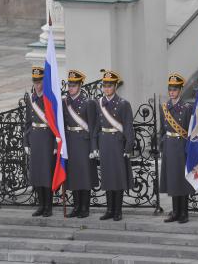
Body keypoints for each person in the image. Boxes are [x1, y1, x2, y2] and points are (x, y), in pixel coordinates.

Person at [93, 69, 134, 221]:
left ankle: (118, 211)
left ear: (115, 86)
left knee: (118, 177)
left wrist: (128, 147)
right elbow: (96, 127)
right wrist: (95, 146)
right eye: (105, 86)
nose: (107, 88)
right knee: (107, 177)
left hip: (117, 143)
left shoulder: (123, 104)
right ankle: (109, 209)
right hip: (104, 142)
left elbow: (128, 127)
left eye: (110, 86)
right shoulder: (99, 104)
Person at [63, 70, 99, 218]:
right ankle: (76, 206)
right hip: (71, 141)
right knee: (73, 176)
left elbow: (93, 126)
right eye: (69, 85)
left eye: (74, 85)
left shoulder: (88, 102)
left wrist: (93, 147)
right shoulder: (65, 102)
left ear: (80, 85)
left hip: (84, 142)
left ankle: (85, 207)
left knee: (85, 176)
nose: (71, 88)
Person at [160, 72, 194, 224]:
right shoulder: (165, 107)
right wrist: (162, 144)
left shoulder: (187, 108)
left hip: (182, 147)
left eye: (175, 89)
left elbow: (191, 131)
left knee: (182, 180)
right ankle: (175, 211)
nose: (172, 92)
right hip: (169, 147)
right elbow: (162, 129)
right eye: (170, 89)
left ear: (180, 90)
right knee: (173, 180)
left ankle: (184, 213)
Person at [24, 66, 56, 217]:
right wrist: (26, 142)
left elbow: (56, 124)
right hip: (35, 138)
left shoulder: (49, 98)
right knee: (37, 173)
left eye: (39, 82)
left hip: (47, 138)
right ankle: (41, 205)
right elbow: (28, 122)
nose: (37, 85)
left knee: (46, 173)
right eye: (35, 82)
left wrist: (56, 144)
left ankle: (48, 206)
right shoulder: (30, 98)